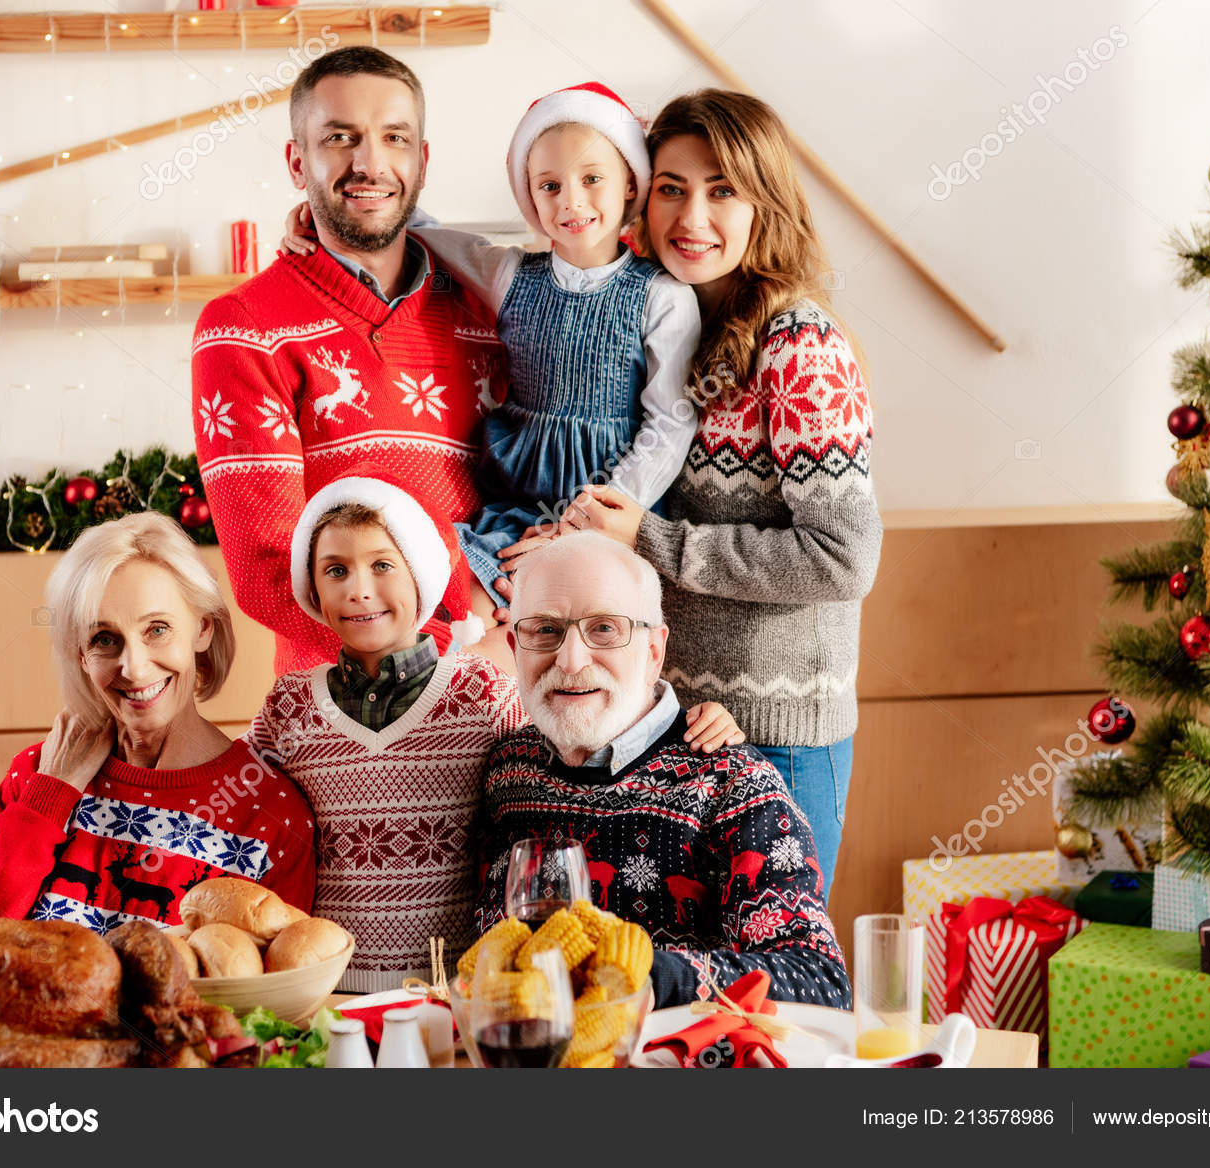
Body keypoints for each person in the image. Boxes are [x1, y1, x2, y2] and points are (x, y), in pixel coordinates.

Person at [545, 90, 882, 898]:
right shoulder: (667, 325)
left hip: (777, 738)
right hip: (670, 727)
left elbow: (843, 559)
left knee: (776, 962)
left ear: (765, 204)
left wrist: (653, 541)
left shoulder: (798, 346)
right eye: (672, 188)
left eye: (722, 190)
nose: (691, 216)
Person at [246, 471, 745, 992]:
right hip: (328, 987)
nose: (359, 590)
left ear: (420, 574)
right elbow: (239, 794)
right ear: (312, 589)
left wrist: (684, 721)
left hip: (457, 990)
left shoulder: (480, 693)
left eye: (382, 566)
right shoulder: (289, 705)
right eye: (335, 571)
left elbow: (577, 730)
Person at [281, 83, 701, 669]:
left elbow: (671, 423)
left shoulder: (663, 296)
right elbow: (424, 229)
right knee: (468, 598)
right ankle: (440, 699)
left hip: (608, 503)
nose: (571, 201)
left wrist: (593, 520)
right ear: (529, 195)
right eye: (549, 186)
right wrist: (325, 212)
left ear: (631, 184)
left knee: (574, 622)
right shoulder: (510, 275)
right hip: (517, 502)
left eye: (592, 179)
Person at [193, 46, 505, 676]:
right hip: (350, 713)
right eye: (340, 138)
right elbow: (269, 568)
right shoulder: (244, 327)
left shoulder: (490, 306)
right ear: (297, 161)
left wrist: (528, 631)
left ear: (422, 160)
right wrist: (454, 656)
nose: (370, 164)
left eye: (395, 138)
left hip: (515, 686)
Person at [476, 530, 850, 1010]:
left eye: (604, 628)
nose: (569, 661)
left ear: (654, 651)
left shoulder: (733, 782)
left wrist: (649, 980)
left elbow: (819, 981)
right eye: (545, 630)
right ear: (514, 646)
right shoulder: (507, 770)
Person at [0, 513, 316, 943]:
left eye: (157, 630)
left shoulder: (270, 813)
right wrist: (52, 795)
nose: (133, 667)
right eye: (104, 639)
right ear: (80, 653)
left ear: (203, 629)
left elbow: (280, 981)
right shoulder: (37, 775)